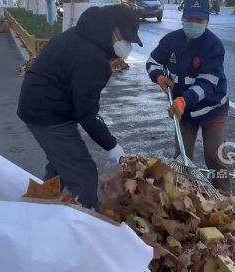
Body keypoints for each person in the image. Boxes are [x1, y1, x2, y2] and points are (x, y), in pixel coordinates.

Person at [17, 5, 143, 210]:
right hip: (48, 114)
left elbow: (83, 104)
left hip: (40, 105)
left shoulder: (83, 34)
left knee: (62, 162)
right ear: (113, 28)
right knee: (83, 173)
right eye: (125, 37)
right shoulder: (92, 57)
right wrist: (111, 146)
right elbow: (87, 113)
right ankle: (89, 222)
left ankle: (41, 206)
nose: (126, 44)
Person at [146, 0, 230, 192]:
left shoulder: (214, 46)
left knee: (215, 157)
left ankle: (225, 196)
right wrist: (158, 77)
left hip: (213, 109)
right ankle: (185, 196)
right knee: (182, 159)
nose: (194, 23)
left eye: (199, 20)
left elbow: (207, 83)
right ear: (183, 19)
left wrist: (183, 100)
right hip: (184, 112)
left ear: (207, 22)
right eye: (190, 18)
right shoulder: (170, 41)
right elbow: (153, 61)